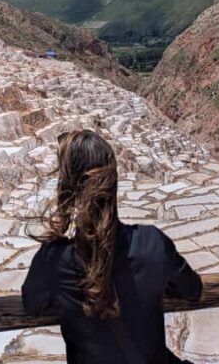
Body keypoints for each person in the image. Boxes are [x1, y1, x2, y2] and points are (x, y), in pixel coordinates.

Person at [22, 129, 202, 364]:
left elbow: (32, 303)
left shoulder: (54, 259)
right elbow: (192, 289)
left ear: (68, 188)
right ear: (113, 182)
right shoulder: (152, 243)